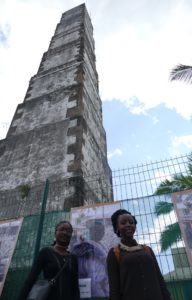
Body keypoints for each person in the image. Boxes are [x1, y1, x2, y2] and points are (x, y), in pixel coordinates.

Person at [107, 209, 172, 300]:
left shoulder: (147, 250)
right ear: (117, 227)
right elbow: (114, 288)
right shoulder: (114, 253)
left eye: (131, 222)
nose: (128, 225)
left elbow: (159, 279)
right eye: (123, 223)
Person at [17, 220, 80, 300]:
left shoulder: (73, 258)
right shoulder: (45, 252)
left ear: (71, 235)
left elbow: (75, 286)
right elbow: (31, 279)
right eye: (62, 230)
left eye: (68, 231)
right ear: (55, 232)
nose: (65, 233)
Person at [71, 219, 109, 297]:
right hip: (92, 284)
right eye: (97, 229)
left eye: (102, 230)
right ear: (91, 231)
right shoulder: (86, 246)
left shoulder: (103, 245)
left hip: (102, 283)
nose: (101, 232)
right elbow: (90, 273)